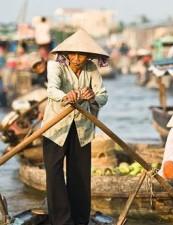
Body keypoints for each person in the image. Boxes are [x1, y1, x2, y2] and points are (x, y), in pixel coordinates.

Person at [42, 29, 109, 225]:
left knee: (80, 175)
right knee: (54, 173)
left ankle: (80, 219)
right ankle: (62, 220)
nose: (77, 58)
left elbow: (103, 94)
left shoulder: (91, 69)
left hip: (82, 128)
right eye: (73, 54)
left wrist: (93, 97)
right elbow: (52, 89)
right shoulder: (55, 66)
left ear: (88, 55)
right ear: (67, 54)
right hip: (56, 128)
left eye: (82, 54)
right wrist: (66, 96)